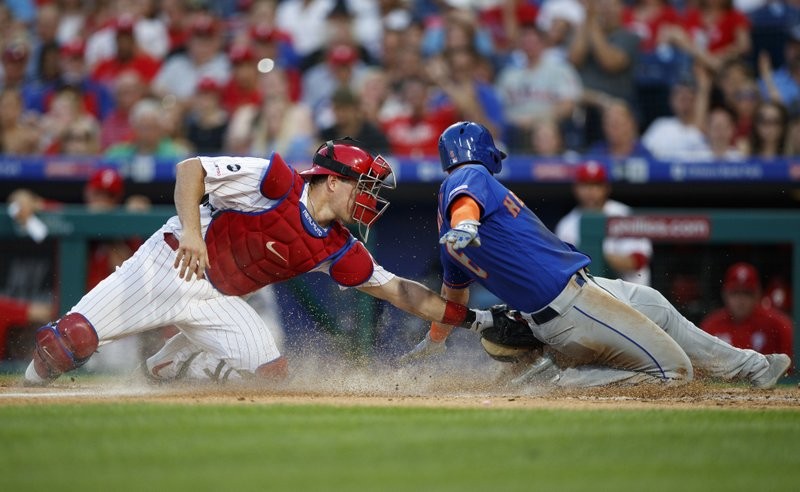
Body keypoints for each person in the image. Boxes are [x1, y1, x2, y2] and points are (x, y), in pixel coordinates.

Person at [21, 138, 528, 386]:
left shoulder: (335, 246)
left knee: (271, 374)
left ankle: (168, 366)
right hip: (174, 263)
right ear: (333, 180)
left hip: (219, 298)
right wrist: (194, 234)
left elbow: (399, 290)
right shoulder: (275, 181)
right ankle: (28, 395)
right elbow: (188, 170)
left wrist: (473, 317)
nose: (369, 198)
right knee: (67, 345)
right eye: (364, 186)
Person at [402, 120, 791, 389]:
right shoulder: (468, 176)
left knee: (654, 305)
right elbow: (464, 201)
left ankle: (752, 368)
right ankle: (558, 381)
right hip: (570, 309)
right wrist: (466, 223)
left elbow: (455, 298)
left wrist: (436, 340)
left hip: (584, 292)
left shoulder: (449, 238)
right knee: (674, 372)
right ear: (482, 153)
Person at [555, 161, 653, 286]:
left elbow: (638, 260)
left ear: (606, 188)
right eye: (585, 185)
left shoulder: (624, 215)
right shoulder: (566, 225)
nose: (590, 191)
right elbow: (563, 269)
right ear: (576, 189)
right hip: (590, 299)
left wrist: (592, 257)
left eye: (596, 185)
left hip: (632, 295)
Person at [701, 262, 793, 361]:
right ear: (725, 294)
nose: (741, 300)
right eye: (735, 293)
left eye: (747, 293)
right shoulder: (711, 325)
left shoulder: (777, 324)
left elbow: (792, 367)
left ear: (758, 294)